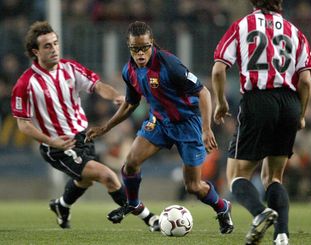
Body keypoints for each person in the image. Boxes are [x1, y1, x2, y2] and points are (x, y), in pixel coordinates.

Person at [86, 21, 234, 234]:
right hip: (159, 122)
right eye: (135, 48)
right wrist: (105, 127)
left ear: (152, 44)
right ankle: (134, 203)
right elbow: (130, 103)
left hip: (187, 124)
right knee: (130, 164)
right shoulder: (129, 71)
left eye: (144, 47)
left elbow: (203, 93)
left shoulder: (169, 64)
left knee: (193, 187)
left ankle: (222, 207)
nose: (140, 53)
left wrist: (206, 128)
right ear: (128, 47)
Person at [10, 21, 160, 231]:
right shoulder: (25, 84)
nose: (54, 49)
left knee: (84, 181)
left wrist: (116, 96)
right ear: (35, 51)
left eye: (55, 43)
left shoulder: (70, 68)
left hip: (83, 138)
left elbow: (97, 85)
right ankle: (151, 219)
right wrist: (51, 141)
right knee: (107, 176)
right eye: (47, 46)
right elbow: (23, 125)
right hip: (59, 146)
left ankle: (61, 205)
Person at [211, 0, 311, 244]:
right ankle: (281, 235)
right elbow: (306, 81)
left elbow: (218, 70)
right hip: (289, 103)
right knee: (273, 177)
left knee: (236, 175)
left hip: (258, 99)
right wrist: (300, 114)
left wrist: (221, 102)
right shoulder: (295, 32)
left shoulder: (242, 25)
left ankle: (260, 213)